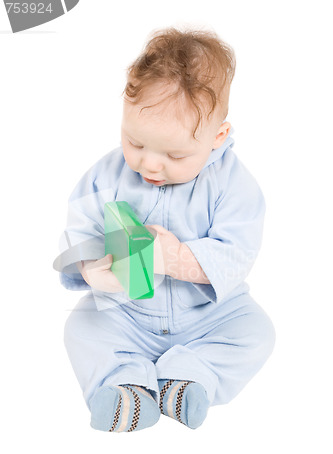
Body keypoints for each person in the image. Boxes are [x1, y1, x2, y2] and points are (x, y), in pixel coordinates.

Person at [55, 27, 275, 432]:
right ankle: (125, 388)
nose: (150, 165)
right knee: (81, 327)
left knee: (256, 333)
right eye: (135, 142)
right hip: (128, 314)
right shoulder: (106, 173)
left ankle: (189, 377)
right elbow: (79, 224)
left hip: (208, 315)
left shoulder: (233, 184)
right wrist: (90, 266)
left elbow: (238, 250)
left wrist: (176, 259)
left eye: (175, 153)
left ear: (218, 136)